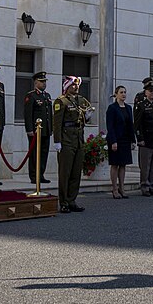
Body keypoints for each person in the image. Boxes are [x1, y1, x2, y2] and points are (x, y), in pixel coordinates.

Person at [53, 76, 94, 213]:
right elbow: (57, 123)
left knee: (76, 172)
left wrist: (87, 116)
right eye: (73, 85)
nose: (76, 87)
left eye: (77, 85)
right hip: (66, 140)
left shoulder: (81, 100)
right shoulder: (61, 101)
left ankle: (72, 200)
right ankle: (63, 202)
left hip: (78, 139)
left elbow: (83, 119)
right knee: (65, 173)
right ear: (67, 86)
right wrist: (57, 141)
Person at [105, 86, 135, 199]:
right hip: (116, 139)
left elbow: (130, 125)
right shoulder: (112, 108)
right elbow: (110, 126)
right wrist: (113, 141)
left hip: (125, 139)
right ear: (116, 94)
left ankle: (122, 188)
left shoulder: (128, 108)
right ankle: (114, 189)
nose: (123, 94)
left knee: (123, 164)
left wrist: (133, 140)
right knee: (115, 164)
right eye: (121, 92)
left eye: (125, 92)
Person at [24, 71, 53, 184]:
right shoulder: (31, 95)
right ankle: (33, 176)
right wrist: (29, 129)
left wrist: (50, 128)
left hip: (45, 130)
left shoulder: (47, 96)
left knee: (44, 153)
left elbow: (49, 114)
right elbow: (28, 114)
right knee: (34, 153)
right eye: (41, 81)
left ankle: (41, 174)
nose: (44, 83)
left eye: (45, 81)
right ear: (36, 82)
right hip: (35, 131)